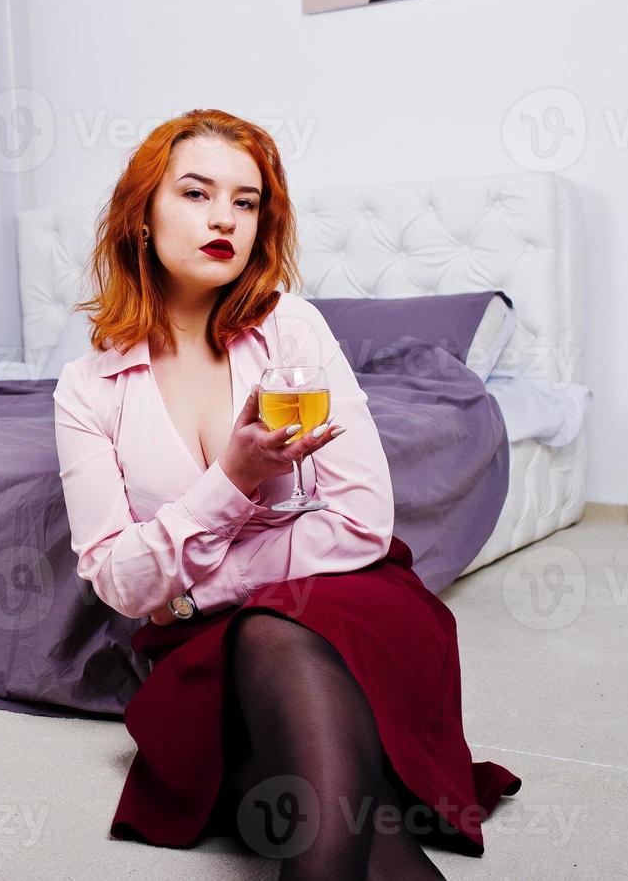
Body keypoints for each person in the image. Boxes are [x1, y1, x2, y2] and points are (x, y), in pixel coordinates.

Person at [51, 108, 520, 879]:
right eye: (197, 193)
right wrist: (232, 481)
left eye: (246, 202)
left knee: (273, 641)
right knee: (303, 797)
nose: (224, 219)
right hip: (195, 649)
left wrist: (193, 590)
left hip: (343, 604)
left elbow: (361, 524)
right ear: (142, 215)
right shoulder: (87, 388)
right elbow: (119, 584)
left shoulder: (292, 332)